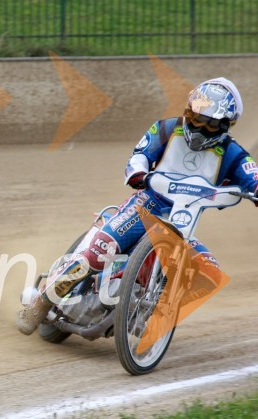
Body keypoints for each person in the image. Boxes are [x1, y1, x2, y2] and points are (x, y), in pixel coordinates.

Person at [17, 77, 257, 335]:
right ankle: (40, 304)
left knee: (209, 271)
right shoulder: (166, 129)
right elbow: (140, 156)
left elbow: (253, 178)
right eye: (193, 116)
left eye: (206, 122)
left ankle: (152, 314)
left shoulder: (234, 154)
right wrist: (140, 173)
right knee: (97, 253)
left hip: (182, 221)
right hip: (145, 206)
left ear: (224, 125)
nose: (196, 126)